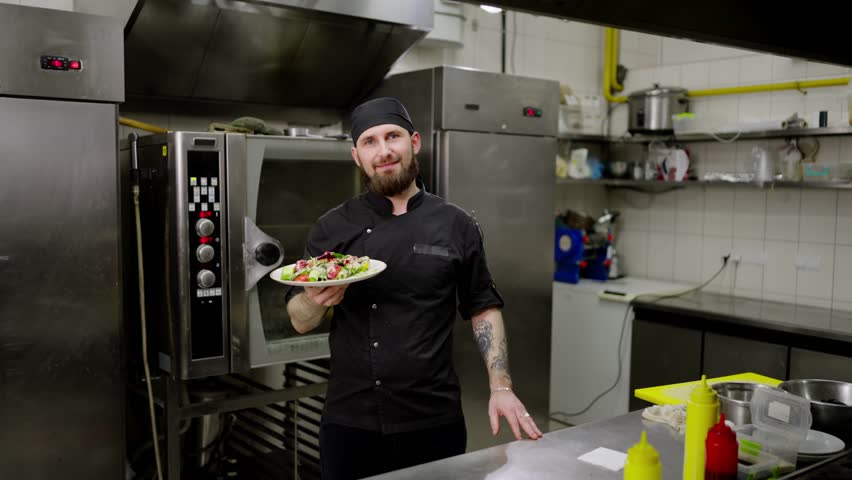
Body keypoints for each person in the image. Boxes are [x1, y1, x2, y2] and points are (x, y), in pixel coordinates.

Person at [285, 97, 541, 480]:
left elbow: (482, 307)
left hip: (433, 420)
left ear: (415, 142)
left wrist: (500, 385)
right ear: (357, 156)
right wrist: (313, 300)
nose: (384, 151)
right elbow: (300, 321)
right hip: (350, 420)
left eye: (393, 136)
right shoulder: (332, 227)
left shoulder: (456, 225)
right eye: (370, 142)